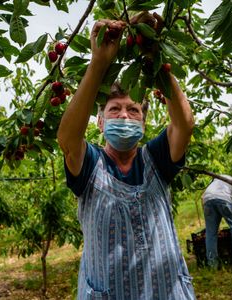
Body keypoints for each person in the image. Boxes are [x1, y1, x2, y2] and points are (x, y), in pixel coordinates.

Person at [57, 17, 196, 300]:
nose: (124, 116)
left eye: (134, 111)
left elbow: (184, 125)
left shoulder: (156, 159)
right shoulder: (90, 165)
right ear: (99, 122)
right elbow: (68, 140)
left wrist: (153, 56)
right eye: (114, 109)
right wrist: (99, 64)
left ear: (144, 124)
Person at [202, 175, 232, 268]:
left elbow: (203, 197)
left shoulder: (217, 179)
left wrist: (209, 218)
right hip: (224, 199)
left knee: (210, 233)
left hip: (207, 200)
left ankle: (212, 263)